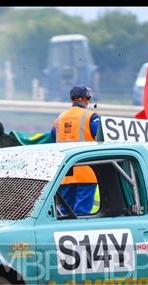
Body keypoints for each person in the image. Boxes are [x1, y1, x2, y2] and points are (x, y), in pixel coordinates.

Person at [51, 85, 101, 215]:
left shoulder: (60, 118)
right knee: (82, 213)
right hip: (87, 171)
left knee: (64, 213)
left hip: (65, 173)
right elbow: (102, 136)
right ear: (84, 99)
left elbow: (52, 136)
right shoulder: (91, 117)